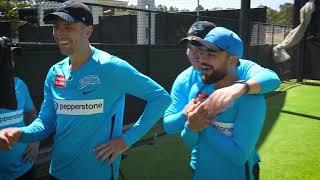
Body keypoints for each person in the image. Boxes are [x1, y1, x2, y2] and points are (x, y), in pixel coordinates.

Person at [0, 1, 171, 179]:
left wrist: (126, 140)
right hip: (57, 172)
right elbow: (45, 123)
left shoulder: (111, 67)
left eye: (68, 27)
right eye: (56, 27)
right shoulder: (54, 72)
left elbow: (160, 98)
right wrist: (19, 133)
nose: (59, 33)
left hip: (97, 173)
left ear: (88, 31)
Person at [163, 21, 280, 134]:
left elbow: (272, 79)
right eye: (190, 48)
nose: (194, 55)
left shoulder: (239, 66)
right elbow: (168, 125)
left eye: (200, 48)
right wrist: (186, 114)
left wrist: (238, 88)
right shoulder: (184, 79)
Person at [181, 27, 266, 180]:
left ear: (232, 60)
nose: (202, 60)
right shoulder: (197, 89)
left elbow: (239, 156)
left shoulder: (251, 100)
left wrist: (202, 126)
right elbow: (190, 141)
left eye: (211, 55)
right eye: (201, 53)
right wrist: (190, 126)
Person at [0, 47, 39, 179]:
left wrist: (35, 140)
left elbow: (31, 115)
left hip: (25, 169)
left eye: (11, 58)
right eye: (5, 57)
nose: (10, 62)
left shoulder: (19, 84)